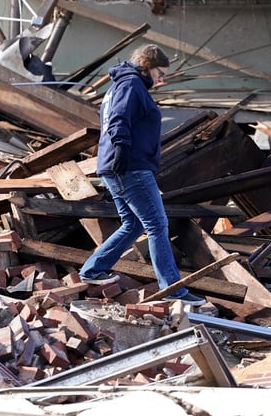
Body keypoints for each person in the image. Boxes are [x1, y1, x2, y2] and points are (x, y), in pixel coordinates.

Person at [79, 44, 206, 306]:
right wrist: (123, 151)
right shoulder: (132, 85)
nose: (162, 78)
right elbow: (117, 120)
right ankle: (172, 288)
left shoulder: (123, 84)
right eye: (160, 72)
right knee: (157, 224)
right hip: (130, 167)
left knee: (133, 224)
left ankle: (92, 270)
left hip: (119, 166)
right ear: (147, 66)